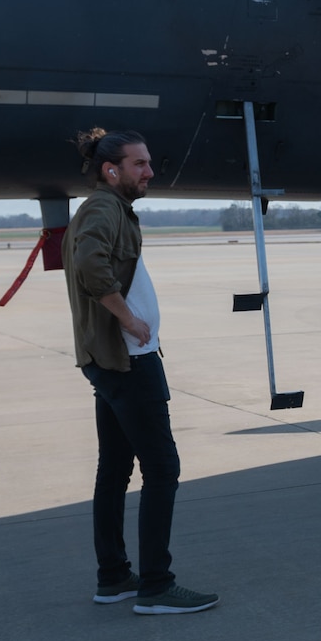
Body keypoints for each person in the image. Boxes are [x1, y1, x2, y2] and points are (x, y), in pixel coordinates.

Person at [63, 127, 218, 615]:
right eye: (140, 164)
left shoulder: (106, 210)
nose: (150, 172)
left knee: (114, 469)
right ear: (112, 170)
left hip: (110, 360)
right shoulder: (105, 209)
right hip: (129, 362)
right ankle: (156, 585)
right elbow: (91, 266)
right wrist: (129, 318)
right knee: (162, 470)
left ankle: (114, 577)